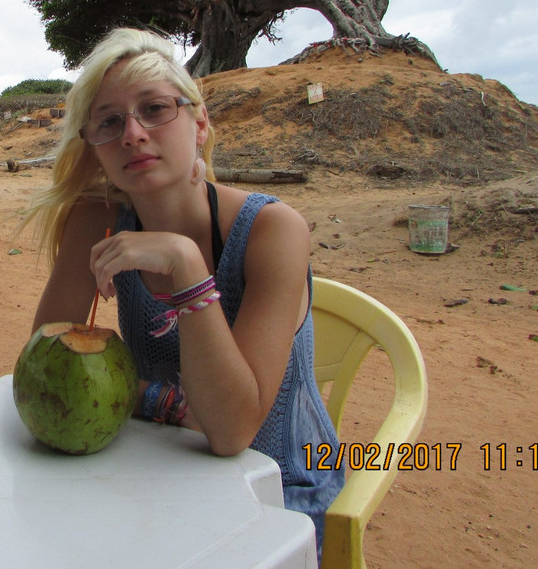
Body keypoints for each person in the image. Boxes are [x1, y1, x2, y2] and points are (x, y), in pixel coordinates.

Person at [23, 27, 343, 551]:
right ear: (95, 147)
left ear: (199, 123)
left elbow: (234, 430)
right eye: (109, 121)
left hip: (278, 487)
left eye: (154, 109)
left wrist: (185, 263)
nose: (132, 133)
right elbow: (46, 369)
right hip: (156, 469)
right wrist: (170, 405)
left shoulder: (274, 231)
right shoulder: (98, 219)